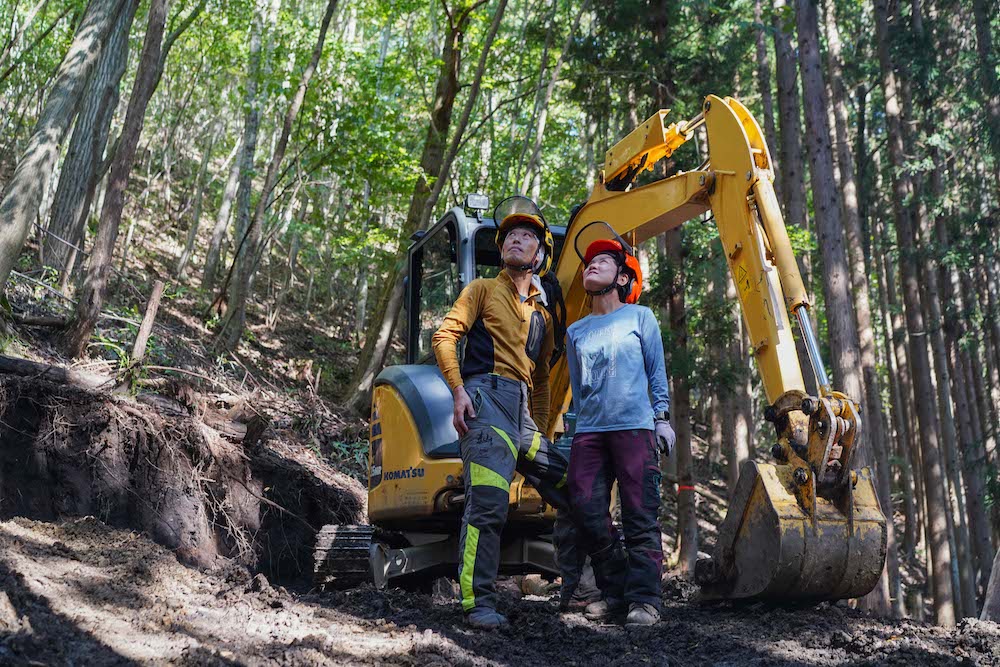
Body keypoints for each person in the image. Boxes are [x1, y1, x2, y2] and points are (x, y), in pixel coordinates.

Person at [431, 196, 593, 629]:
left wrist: (541, 428)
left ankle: (581, 590)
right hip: (484, 403)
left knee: (574, 486)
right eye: (510, 236)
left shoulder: (542, 315)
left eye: (526, 236)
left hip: (521, 416)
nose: (515, 240)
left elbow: (540, 379)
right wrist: (459, 391)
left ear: (540, 255)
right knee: (488, 504)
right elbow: (445, 337)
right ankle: (478, 604)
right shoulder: (481, 290)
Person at [564, 224, 675, 627]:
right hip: (590, 432)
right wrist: (574, 430)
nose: (591, 265)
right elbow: (578, 388)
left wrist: (661, 418)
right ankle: (614, 592)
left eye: (602, 261)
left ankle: (645, 600)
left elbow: (656, 372)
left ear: (623, 278)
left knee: (640, 514)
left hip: (635, 428)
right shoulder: (575, 331)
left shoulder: (640, 317)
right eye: (589, 262)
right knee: (586, 510)